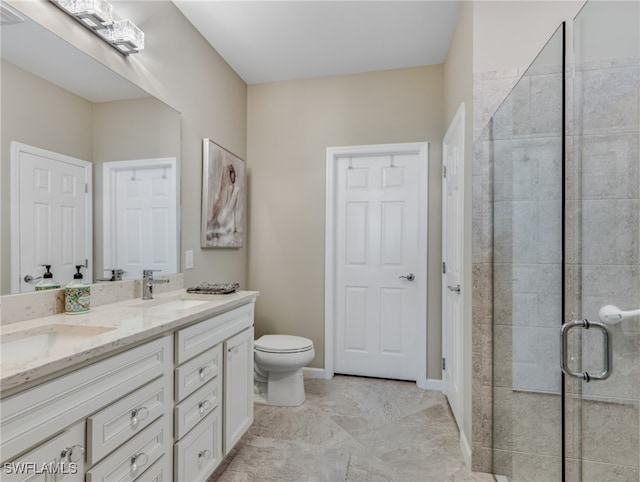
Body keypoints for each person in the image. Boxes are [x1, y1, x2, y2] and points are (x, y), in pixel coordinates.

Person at [207, 162, 241, 245]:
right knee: (219, 224)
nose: (232, 177)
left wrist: (235, 225)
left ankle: (221, 230)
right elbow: (225, 203)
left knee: (226, 230)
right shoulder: (228, 189)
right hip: (226, 213)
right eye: (231, 175)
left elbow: (236, 208)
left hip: (232, 216)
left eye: (233, 175)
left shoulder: (237, 189)